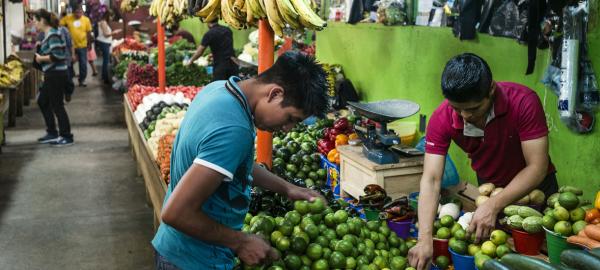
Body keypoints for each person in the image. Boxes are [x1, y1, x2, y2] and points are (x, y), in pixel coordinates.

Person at [151, 52, 329, 269]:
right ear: (274, 94)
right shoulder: (234, 129)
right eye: (290, 118)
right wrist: (241, 242)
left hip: (177, 250)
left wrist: (287, 188)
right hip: (193, 260)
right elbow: (175, 213)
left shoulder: (218, 89)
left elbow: (234, 164)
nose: (287, 128)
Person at [408, 53, 556, 270]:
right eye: (456, 108)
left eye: (473, 109)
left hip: (536, 191)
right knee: (498, 256)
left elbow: (537, 167)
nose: (464, 115)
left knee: (542, 259)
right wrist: (424, 238)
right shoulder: (441, 118)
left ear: (491, 90)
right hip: (490, 188)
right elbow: (431, 180)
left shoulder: (523, 101)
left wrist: (493, 205)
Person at [33, 9, 74, 146]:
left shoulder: (52, 35)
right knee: (43, 101)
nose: (34, 23)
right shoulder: (48, 35)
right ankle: (52, 132)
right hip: (51, 74)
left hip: (56, 74)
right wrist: (40, 47)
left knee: (57, 105)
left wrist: (40, 58)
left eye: (36, 20)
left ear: (42, 21)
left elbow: (58, 56)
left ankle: (66, 136)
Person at [60, 5, 93, 87]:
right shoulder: (68, 18)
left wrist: (89, 43)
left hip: (83, 45)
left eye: (80, 12)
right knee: (69, 63)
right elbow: (59, 24)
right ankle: (70, 79)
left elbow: (89, 32)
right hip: (71, 46)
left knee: (83, 64)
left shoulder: (86, 20)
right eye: (77, 12)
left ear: (82, 12)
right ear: (73, 12)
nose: (78, 14)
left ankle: (82, 80)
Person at [96, 11, 121, 85]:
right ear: (108, 15)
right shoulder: (103, 22)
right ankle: (105, 78)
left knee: (105, 60)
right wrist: (115, 32)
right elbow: (106, 34)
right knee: (105, 61)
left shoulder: (104, 22)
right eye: (111, 16)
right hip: (104, 43)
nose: (112, 18)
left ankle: (104, 77)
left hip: (105, 43)